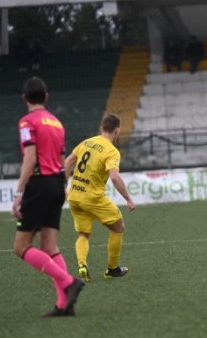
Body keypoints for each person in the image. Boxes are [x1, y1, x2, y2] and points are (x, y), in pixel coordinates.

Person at [12, 77, 84, 317]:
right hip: (57, 183)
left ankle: (68, 281)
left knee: (21, 246)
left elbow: (30, 159)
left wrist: (19, 192)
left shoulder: (27, 122)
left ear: (24, 99)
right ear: (47, 97)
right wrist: (62, 186)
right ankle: (64, 305)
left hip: (40, 183)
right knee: (50, 246)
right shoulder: (56, 123)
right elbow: (63, 160)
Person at [65, 113, 136, 282]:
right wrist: (128, 199)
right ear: (117, 131)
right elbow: (115, 177)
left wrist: (63, 185)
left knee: (83, 234)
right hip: (93, 198)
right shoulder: (112, 151)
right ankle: (112, 269)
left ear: (102, 127)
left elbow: (68, 162)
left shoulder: (87, 142)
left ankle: (82, 264)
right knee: (118, 227)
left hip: (75, 196)